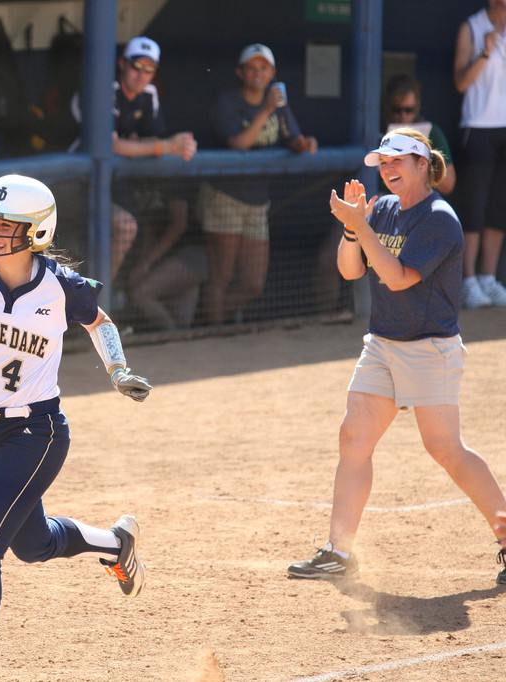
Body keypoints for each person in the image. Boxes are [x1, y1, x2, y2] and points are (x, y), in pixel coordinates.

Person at [0, 174, 153, 682]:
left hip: (38, 433)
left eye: (6, 224)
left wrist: (119, 372)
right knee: (33, 544)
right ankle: (116, 544)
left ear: (36, 231)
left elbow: (101, 323)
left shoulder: (62, 285)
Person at [288, 129, 506, 584]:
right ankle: (339, 552)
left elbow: (401, 277)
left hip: (431, 348)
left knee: (446, 449)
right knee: (353, 437)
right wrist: (353, 227)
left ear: (422, 165)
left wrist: (362, 227)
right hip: (383, 343)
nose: (387, 170)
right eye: (382, 163)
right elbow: (351, 270)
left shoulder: (439, 218)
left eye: (397, 162)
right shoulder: (382, 209)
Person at [202, 43, 317, 326]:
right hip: (224, 196)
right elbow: (239, 144)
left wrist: (304, 144)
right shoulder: (227, 103)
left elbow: (292, 136)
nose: (258, 73)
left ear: (272, 72)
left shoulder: (277, 102)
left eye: (263, 67)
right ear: (240, 72)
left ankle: (207, 319)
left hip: (257, 200)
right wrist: (265, 110)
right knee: (222, 276)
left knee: (253, 283)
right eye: (252, 67)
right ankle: (213, 337)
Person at [69, 36, 197, 284]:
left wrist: (158, 146)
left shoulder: (149, 95)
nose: (141, 75)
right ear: (122, 64)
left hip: (110, 185)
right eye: (136, 67)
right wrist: (165, 146)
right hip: (73, 183)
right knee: (122, 227)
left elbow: (149, 141)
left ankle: (96, 300)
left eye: (149, 69)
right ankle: (91, 301)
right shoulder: (104, 89)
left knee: (133, 226)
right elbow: (113, 145)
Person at [453, 0, 506, 308]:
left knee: (499, 205)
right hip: (477, 127)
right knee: (474, 204)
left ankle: (488, 278)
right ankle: (469, 281)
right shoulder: (470, 27)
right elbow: (460, 82)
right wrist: (485, 52)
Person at [126, 198, 208, 331]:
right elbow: (150, 228)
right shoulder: (141, 187)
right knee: (181, 323)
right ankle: (174, 340)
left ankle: (171, 336)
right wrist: (143, 265)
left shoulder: (173, 183)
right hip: (167, 258)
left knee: (140, 293)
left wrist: (145, 264)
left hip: (194, 254)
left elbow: (179, 225)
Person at [382, 73, 456, 195]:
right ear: (387, 107)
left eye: (408, 110)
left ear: (416, 107)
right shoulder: (375, 132)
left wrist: (421, 162)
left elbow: (448, 185)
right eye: (397, 110)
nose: (403, 116)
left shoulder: (431, 133)